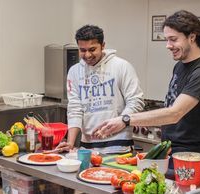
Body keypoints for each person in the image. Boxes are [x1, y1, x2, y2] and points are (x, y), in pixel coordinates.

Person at [92, 10, 200, 177]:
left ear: (192, 37)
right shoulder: (180, 65)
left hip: (189, 156)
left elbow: (174, 113)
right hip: (169, 150)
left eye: (173, 39)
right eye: (166, 39)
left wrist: (126, 119)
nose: (168, 45)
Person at [56, 24, 144, 154]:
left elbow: (136, 101)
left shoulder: (122, 66)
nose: (87, 55)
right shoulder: (74, 72)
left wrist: (121, 122)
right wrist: (70, 143)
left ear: (103, 46)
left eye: (92, 49)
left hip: (119, 146)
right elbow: (75, 109)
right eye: (82, 50)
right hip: (87, 147)